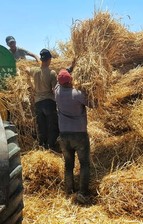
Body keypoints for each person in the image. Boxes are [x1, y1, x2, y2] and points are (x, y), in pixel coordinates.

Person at [54, 69, 93, 204]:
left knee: (68, 165)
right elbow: (94, 104)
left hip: (64, 135)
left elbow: (59, 82)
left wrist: (67, 70)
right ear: (71, 80)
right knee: (84, 164)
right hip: (79, 135)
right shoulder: (77, 94)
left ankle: (69, 190)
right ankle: (82, 193)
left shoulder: (56, 92)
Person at [26, 49, 59, 151]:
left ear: (41, 59)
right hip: (49, 102)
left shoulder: (35, 71)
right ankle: (51, 146)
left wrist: (29, 83)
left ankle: (42, 146)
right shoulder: (52, 73)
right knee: (52, 125)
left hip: (38, 103)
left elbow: (26, 69)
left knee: (41, 126)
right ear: (49, 59)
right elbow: (54, 90)